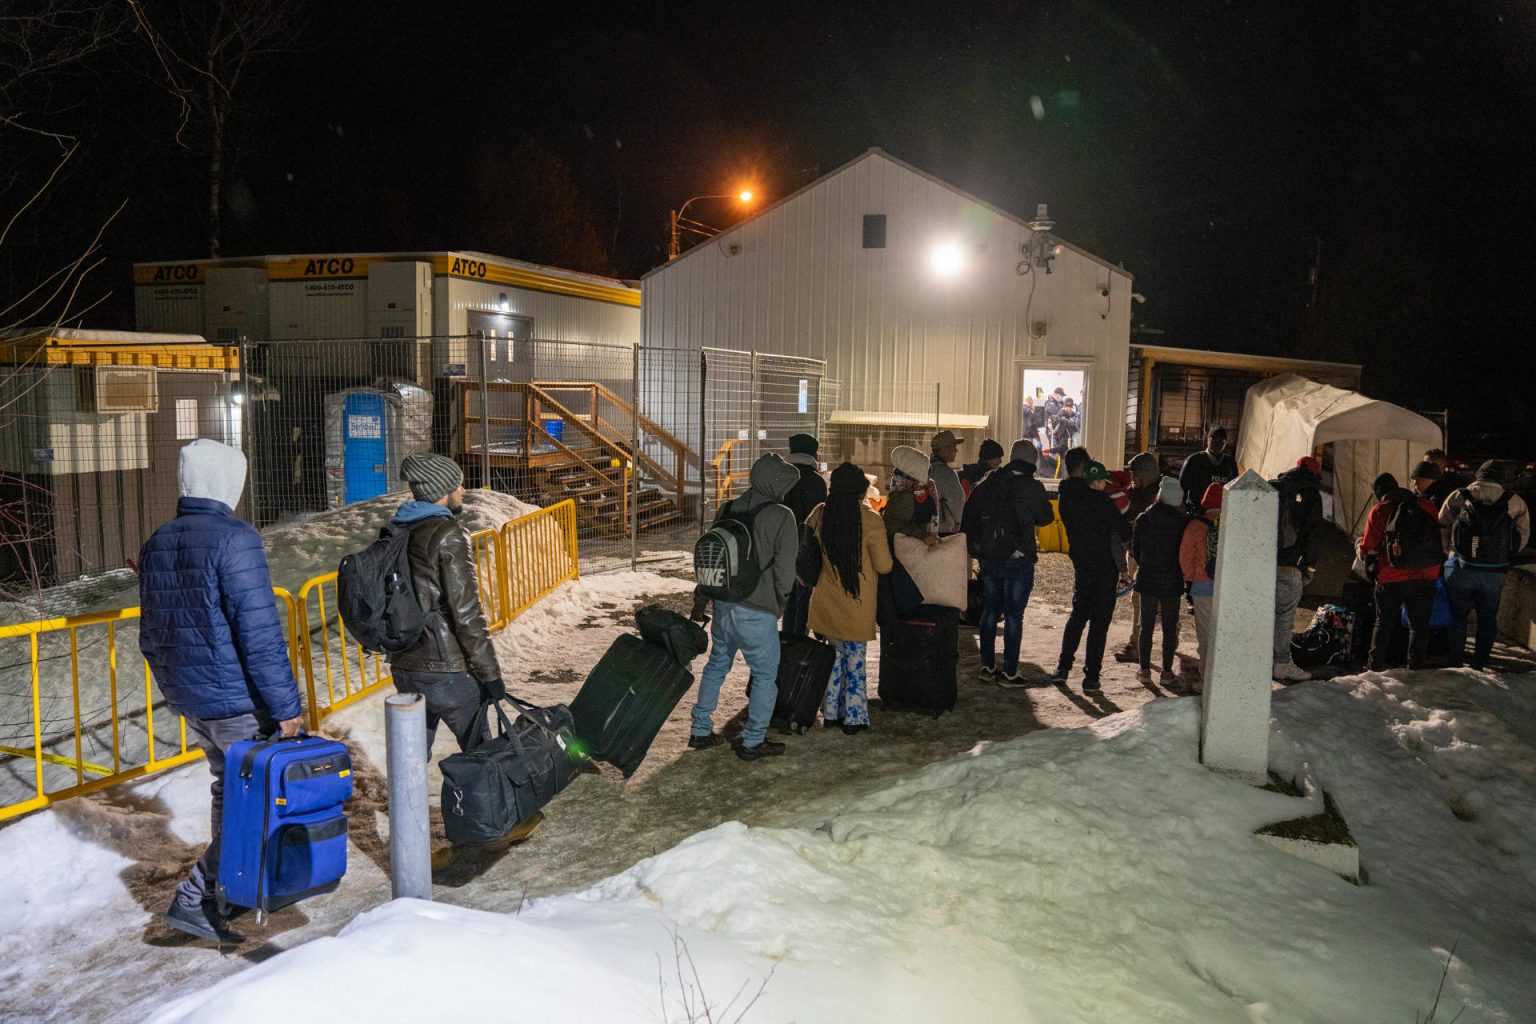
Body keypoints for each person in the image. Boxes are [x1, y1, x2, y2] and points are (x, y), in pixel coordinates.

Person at [139, 439, 304, 944]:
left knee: (229, 791)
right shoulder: (235, 539)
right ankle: (195, 898)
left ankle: (227, 892)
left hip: (194, 698)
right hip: (236, 700)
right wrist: (286, 708)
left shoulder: (159, 541)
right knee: (252, 805)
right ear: (227, 484)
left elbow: (152, 632)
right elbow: (259, 633)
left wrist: (178, 689)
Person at [689, 453, 800, 760]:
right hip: (758, 610)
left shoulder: (728, 507)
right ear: (777, 483)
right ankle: (753, 741)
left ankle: (700, 730)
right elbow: (785, 570)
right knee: (765, 676)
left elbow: (713, 558)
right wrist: (780, 602)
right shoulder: (782, 515)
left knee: (716, 666)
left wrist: (702, 596)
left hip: (724, 605)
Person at [805, 462, 894, 734]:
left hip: (826, 602)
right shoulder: (870, 520)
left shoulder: (820, 514)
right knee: (855, 663)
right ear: (860, 491)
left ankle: (831, 712)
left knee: (832, 659)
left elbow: (806, 546)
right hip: (857, 605)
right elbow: (884, 565)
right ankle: (854, 718)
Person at [962, 439, 1054, 685]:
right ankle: (1010, 671)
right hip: (1019, 558)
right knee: (1014, 616)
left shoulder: (988, 482)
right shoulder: (1031, 487)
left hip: (991, 559)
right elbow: (1046, 519)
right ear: (1032, 461)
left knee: (990, 610)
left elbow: (969, 516)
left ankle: (987, 666)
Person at [1438, 461, 1531, 670]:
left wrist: (1450, 552)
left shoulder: (1458, 496)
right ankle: (1479, 663)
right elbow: (1523, 535)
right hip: (1495, 571)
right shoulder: (1514, 501)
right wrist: (1504, 554)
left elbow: (1442, 526)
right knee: (1488, 617)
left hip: (1460, 566)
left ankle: (1455, 662)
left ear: (1478, 475)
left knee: (1458, 616)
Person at [1053, 460, 1131, 693]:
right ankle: (1092, 676)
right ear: (1093, 481)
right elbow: (1125, 531)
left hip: (1083, 568)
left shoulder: (1071, 501)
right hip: (1106, 570)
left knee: (1077, 617)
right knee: (1099, 625)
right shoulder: (1104, 503)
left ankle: (1063, 667)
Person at [1357, 472, 1443, 671]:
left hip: (1391, 576)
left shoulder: (1379, 510)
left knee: (1384, 623)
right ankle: (1416, 668)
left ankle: (1374, 667)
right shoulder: (1427, 506)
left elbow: (1368, 546)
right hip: (1426, 574)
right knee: (1419, 626)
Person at [1271, 456, 1324, 682]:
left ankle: (1260, 660)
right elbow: (1313, 534)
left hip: (1263, 564)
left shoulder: (1273, 486)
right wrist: (1309, 567)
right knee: (1284, 619)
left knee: (1263, 616)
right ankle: (1282, 663)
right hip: (1290, 566)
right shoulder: (1311, 494)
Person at [1132, 477, 1188, 687]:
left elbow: (1136, 550)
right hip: (1172, 580)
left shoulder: (1144, 519)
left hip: (1147, 578)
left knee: (1146, 626)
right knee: (1169, 627)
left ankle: (1144, 670)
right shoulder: (1182, 524)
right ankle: (1166, 671)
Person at [1114, 451, 1163, 663]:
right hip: (1134, 552)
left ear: (1147, 474)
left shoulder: (1160, 495)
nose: (1132, 478)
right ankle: (1135, 642)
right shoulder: (1134, 494)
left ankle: (1143, 643)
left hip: (1153, 556)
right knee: (1137, 600)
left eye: (1136, 474)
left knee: (1155, 601)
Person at [781, 433, 828, 637]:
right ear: (813, 453)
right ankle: (798, 641)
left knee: (789, 597)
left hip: (781, 544)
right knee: (804, 596)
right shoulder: (815, 481)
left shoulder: (781, 477)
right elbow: (819, 516)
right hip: (806, 546)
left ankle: (788, 638)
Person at [1179, 482, 1224, 693]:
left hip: (1202, 586)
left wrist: (1192, 577)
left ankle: (1206, 680)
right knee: (1222, 633)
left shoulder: (1196, 526)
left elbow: (1185, 556)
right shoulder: (1231, 524)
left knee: (1206, 635)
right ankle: (1223, 677)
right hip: (1226, 587)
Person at [883, 445, 939, 548]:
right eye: (925, 469)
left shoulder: (921, 490)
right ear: (916, 470)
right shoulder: (906, 495)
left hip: (912, 548)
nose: (929, 473)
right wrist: (923, 535)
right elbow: (895, 525)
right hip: (903, 550)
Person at [1179, 426, 1239, 509]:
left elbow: (1234, 489)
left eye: (1221, 440)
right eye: (1213, 440)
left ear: (1225, 442)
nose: (1217, 443)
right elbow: (1182, 487)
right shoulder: (1194, 460)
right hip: (1196, 510)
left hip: (1220, 512)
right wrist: (1183, 509)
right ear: (1207, 440)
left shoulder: (1230, 463)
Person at [929, 429, 966, 535]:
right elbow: (957, 504)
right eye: (954, 447)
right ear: (945, 449)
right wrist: (958, 523)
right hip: (944, 530)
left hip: (922, 530)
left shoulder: (923, 468)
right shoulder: (948, 475)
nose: (956, 451)